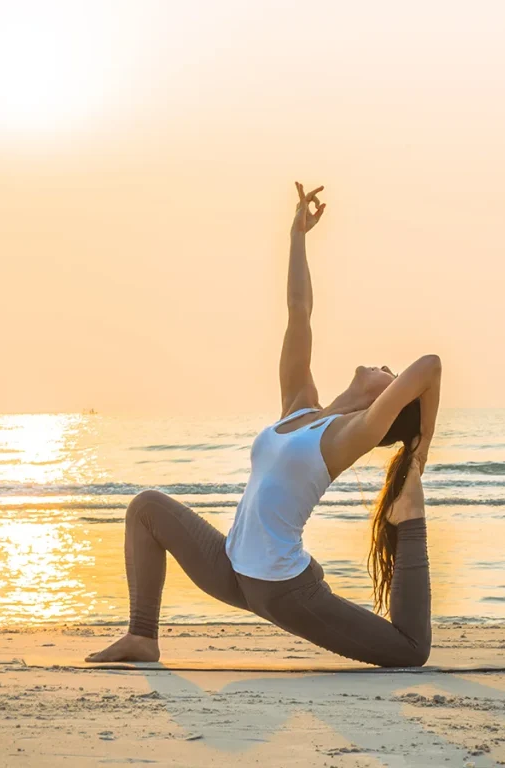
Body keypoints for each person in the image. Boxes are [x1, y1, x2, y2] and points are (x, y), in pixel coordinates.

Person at [87, 182, 442, 667]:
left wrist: (418, 452)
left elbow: (430, 365)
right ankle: (141, 636)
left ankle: (411, 519)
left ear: (387, 401)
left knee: (408, 651)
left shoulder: (352, 434)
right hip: (232, 569)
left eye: (391, 373)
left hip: (282, 587)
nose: (384, 366)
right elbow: (299, 312)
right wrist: (297, 236)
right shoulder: (300, 407)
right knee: (146, 508)